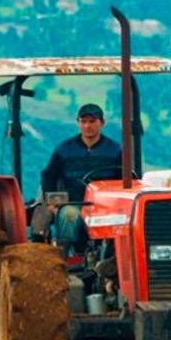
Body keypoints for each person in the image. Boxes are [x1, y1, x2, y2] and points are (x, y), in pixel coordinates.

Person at [31, 103, 121, 254]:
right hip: (73, 202)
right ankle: (63, 257)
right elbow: (48, 175)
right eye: (83, 121)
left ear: (102, 123)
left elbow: (125, 179)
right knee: (68, 215)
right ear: (78, 123)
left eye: (92, 122)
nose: (87, 126)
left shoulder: (115, 150)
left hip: (104, 206)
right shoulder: (64, 149)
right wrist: (52, 203)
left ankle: (110, 257)